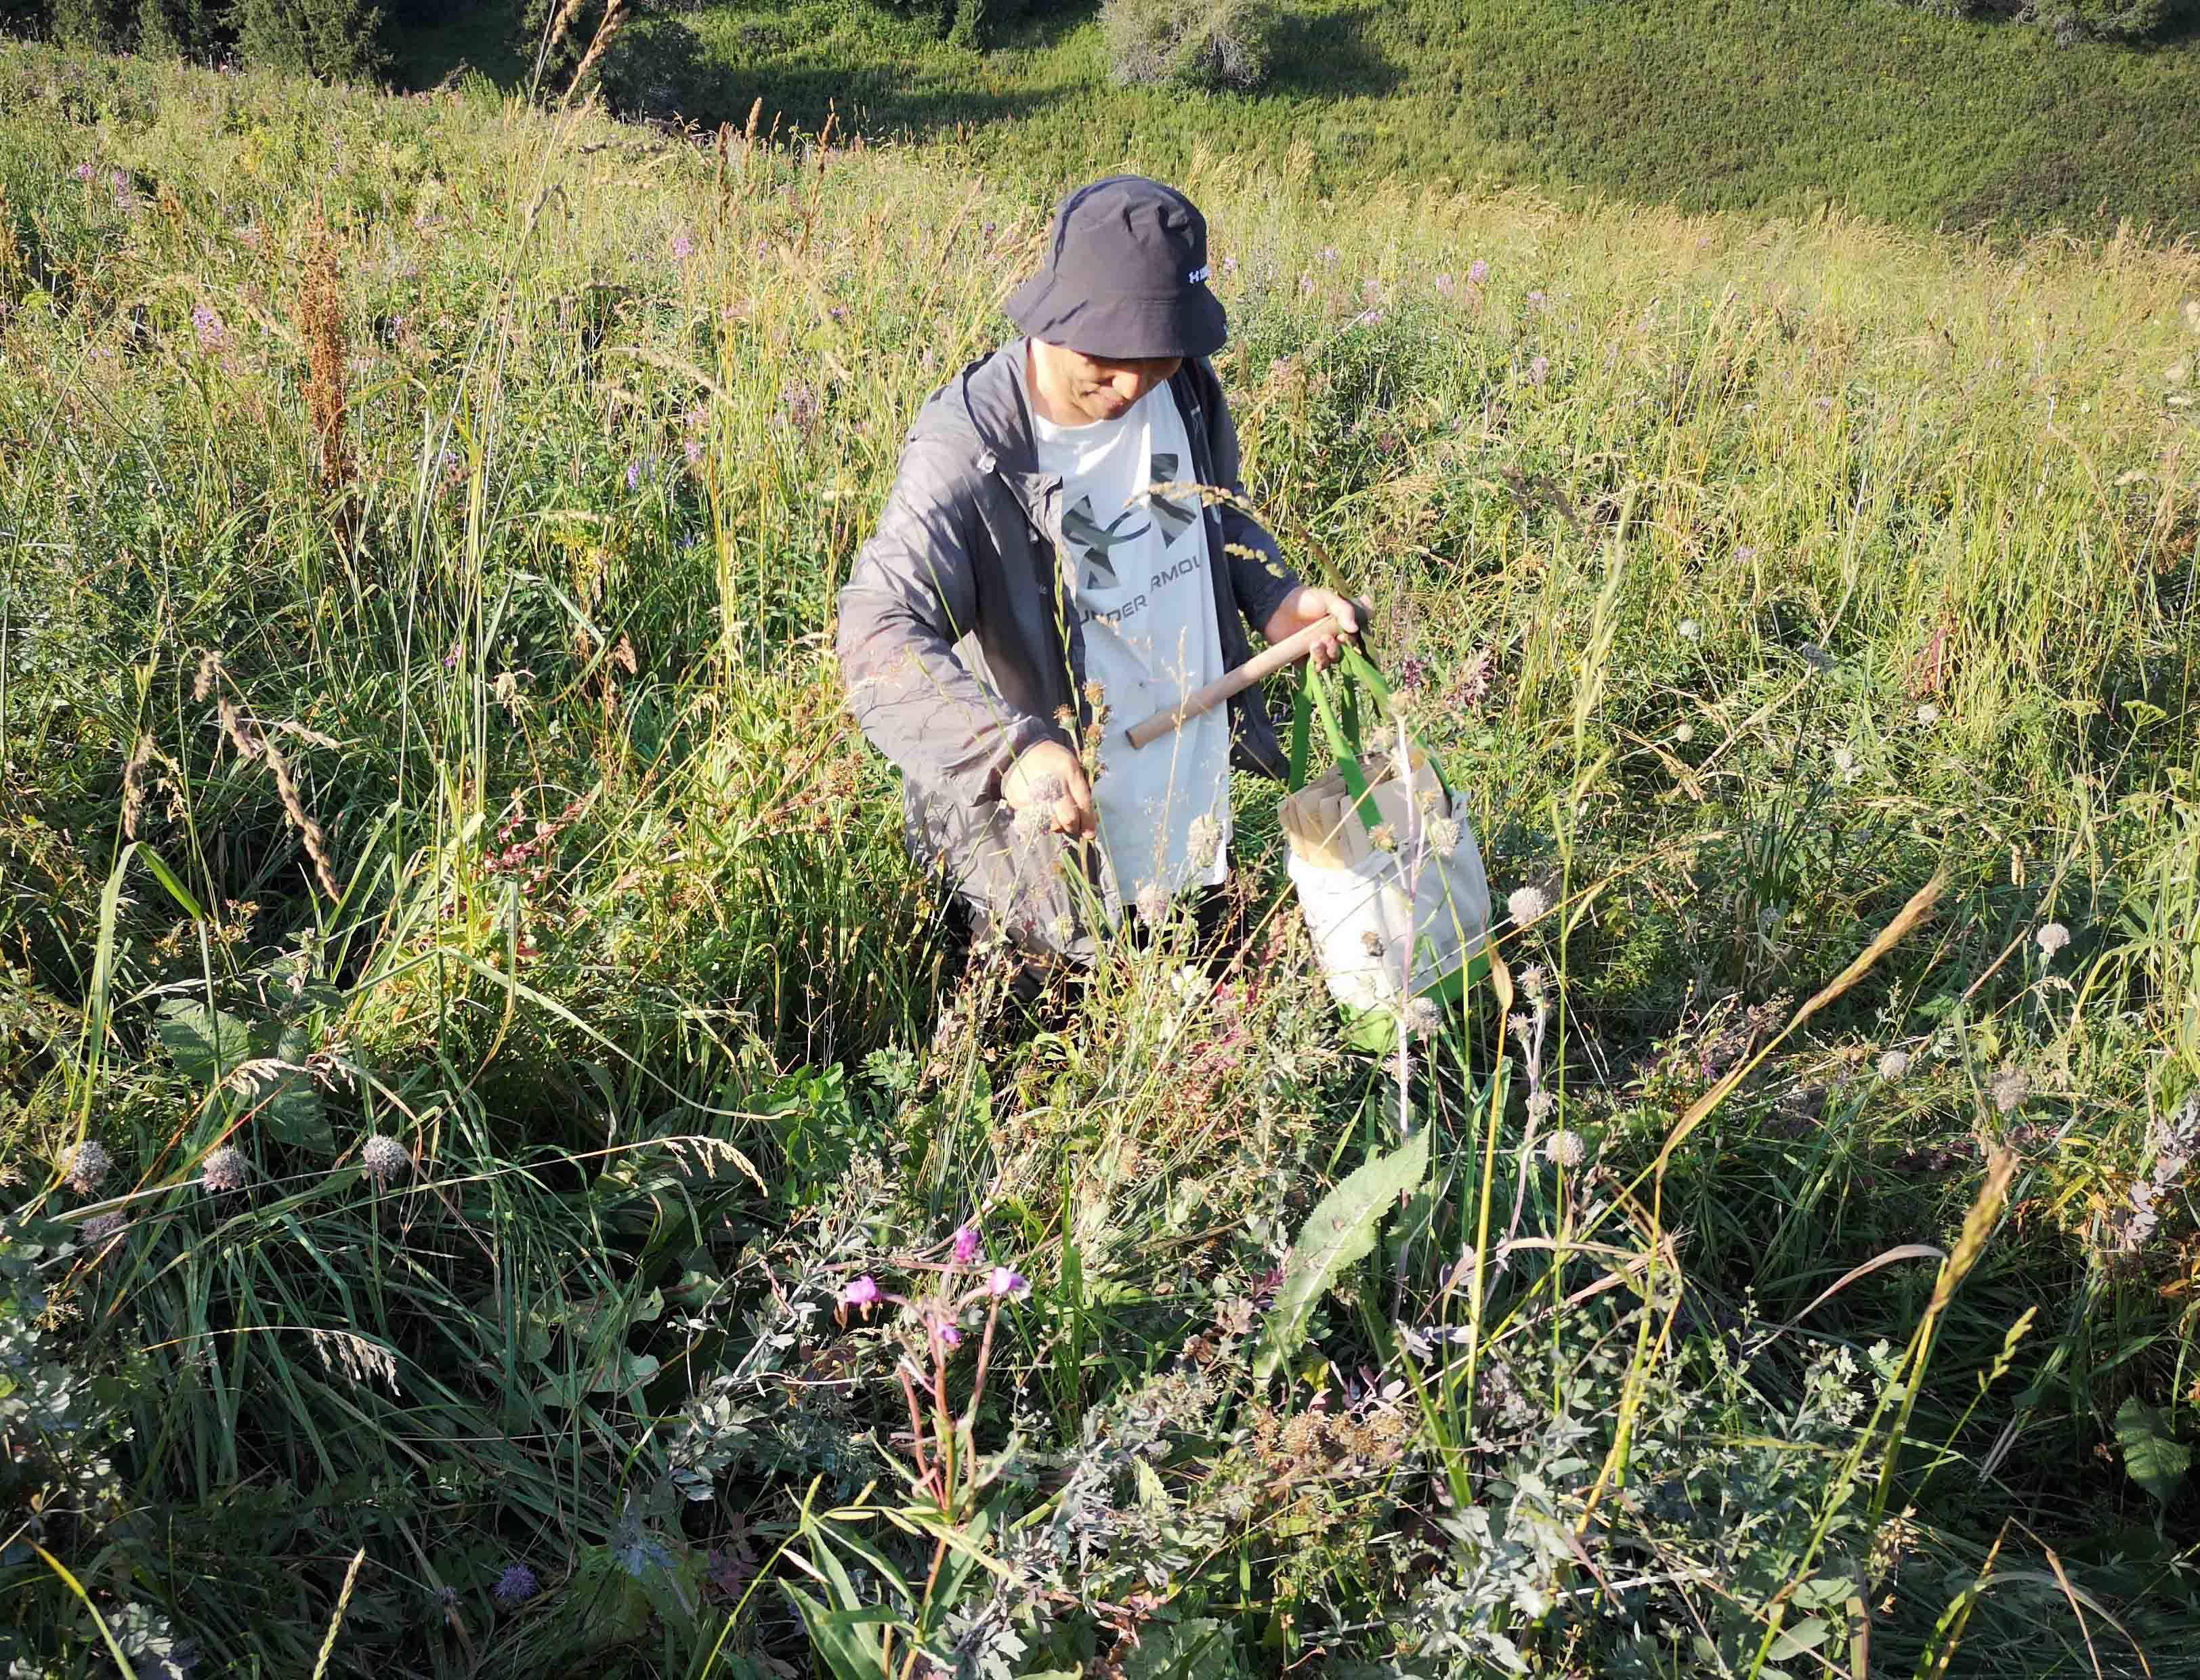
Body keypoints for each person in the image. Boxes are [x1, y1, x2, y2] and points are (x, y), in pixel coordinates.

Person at [836, 174, 1359, 978]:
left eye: (1155, 360)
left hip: (1184, 808)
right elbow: (876, 631)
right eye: (1108, 360)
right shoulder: (969, 451)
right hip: (1049, 857)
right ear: (1056, 313)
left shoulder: (1182, 389)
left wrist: (1276, 598)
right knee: (1046, 1075)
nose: (1129, 387)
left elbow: (1214, 515)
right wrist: (1012, 753)